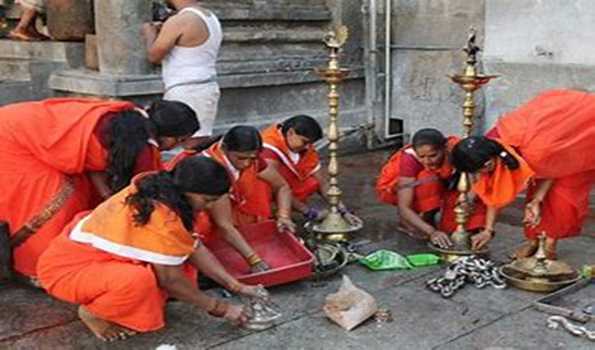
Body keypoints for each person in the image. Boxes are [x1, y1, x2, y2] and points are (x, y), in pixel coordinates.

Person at [37, 157, 264, 341]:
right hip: (66, 272)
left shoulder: (165, 191)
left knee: (176, 263)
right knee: (139, 281)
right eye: (208, 200)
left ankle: (115, 300)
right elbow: (170, 280)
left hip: (90, 261)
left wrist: (235, 285)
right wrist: (222, 308)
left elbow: (192, 246)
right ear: (187, 190)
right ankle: (94, 313)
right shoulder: (162, 215)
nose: (211, 207)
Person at [0, 97, 198, 281]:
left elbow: (94, 162)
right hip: (12, 139)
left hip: (26, 129)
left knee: (83, 191)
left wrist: (106, 197)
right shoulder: (135, 142)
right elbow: (136, 190)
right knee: (62, 195)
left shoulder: (132, 126)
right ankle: (39, 267)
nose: (178, 147)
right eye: (179, 140)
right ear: (165, 132)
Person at [451, 89, 595, 259]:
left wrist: (538, 200)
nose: (481, 175)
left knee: (562, 196)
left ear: (490, 161)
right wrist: (487, 229)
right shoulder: (490, 144)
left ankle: (549, 245)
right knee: (533, 199)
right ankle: (533, 242)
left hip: (580, 139)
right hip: (550, 137)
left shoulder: (536, 151)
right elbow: (495, 188)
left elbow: (554, 171)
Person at [167, 126, 295, 272]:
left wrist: (284, 216)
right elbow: (224, 225)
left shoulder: (254, 161)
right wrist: (254, 260)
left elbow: (282, 186)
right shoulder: (212, 170)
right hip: (188, 219)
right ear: (225, 149)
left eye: (251, 159)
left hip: (229, 208)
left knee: (260, 185)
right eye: (241, 158)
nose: (246, 164)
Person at [376, 128, 487, 248]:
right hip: (396, 189)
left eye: (433, 155)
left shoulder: (456, 149)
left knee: (471, 199)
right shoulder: (408, 160)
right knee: (428, 179)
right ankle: (418, 221)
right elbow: (404, 207)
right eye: (422, 157)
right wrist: (432, 232)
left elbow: (477, 176)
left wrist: (469, 199)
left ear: (444, 149)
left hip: (445, 183)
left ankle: (452, 222)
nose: (427, 161)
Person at [143, 0, 222, 150]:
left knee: (187, 148)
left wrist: (150, 34)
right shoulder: (208, 16)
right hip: (201, 87)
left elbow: (154, 56)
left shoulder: (182, 20)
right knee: (193, 146)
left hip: (188, 91)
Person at [260, 115, 356, 222]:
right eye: (304, 142)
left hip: (285, 188)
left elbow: (322, 183)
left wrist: (343, 210)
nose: (307, 147)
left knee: (312, 182)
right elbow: (278, 187)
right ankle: (272, 214)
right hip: (269, 192)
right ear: (290, 132)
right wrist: (308, 212)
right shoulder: (268, 150)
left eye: (310, 143)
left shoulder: (305, 147)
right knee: (266, 188)